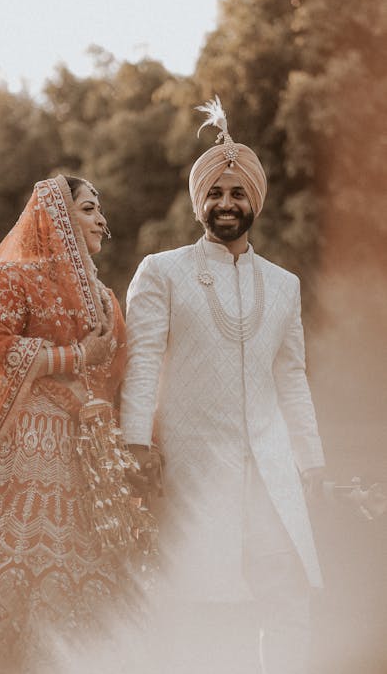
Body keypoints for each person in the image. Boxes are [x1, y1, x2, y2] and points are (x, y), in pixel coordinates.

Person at [0, 173, 152, 674]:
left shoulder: (108, 300)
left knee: (97, 582)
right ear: (56, 217)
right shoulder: (13, 279)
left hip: (90, 461)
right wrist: (74, 356)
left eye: (100, 210)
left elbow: (122, 380)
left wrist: (133, 448)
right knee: (26, 575)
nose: (102, 220)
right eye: (88, 209)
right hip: (28, 452)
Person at [120, 97, 326, 674]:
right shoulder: (161, 272)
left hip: (272, 468)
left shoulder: (284, 285)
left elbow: (292, 378)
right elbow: (141, 364)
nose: (226, 203)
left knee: (287, 594)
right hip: (195, 469)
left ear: (254, 200)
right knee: (208, 603)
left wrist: (311, 460)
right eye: (214, 192)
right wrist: (136, 446)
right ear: (198, 203)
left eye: (237, 193)